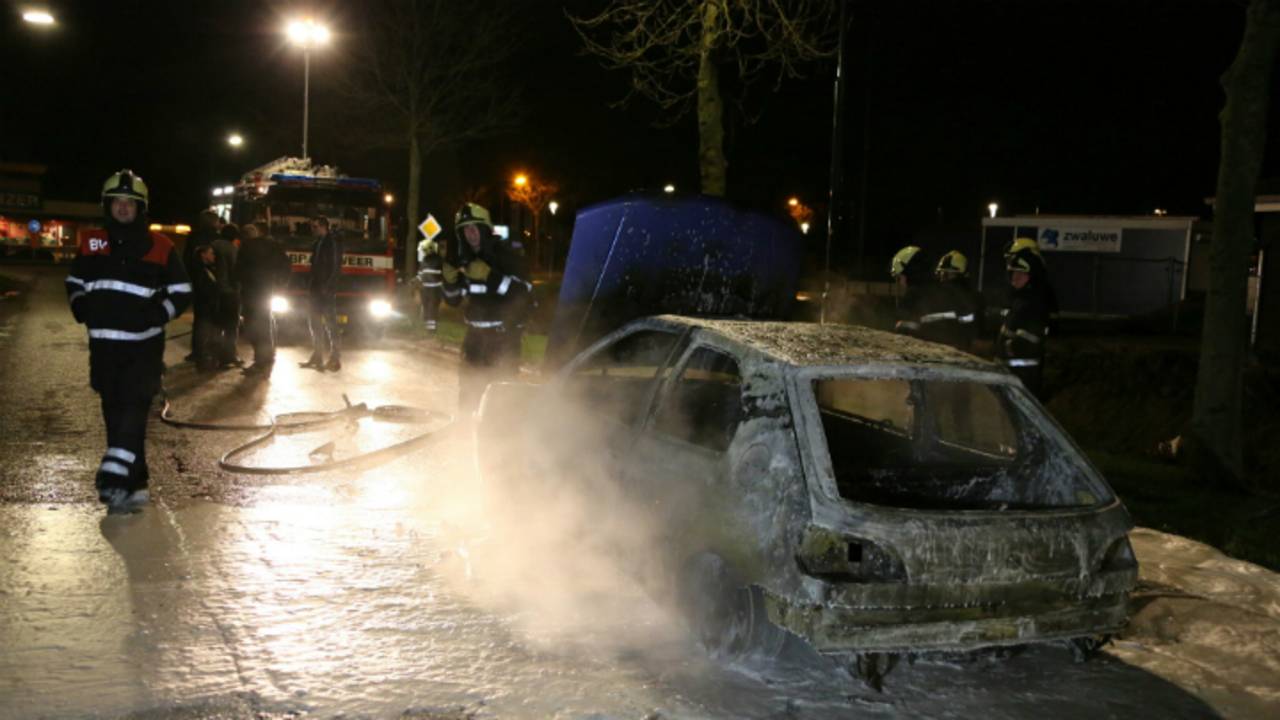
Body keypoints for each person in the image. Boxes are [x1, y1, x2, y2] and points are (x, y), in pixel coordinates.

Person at [65, 170, 191, 512]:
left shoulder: (160, 246)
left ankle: (113, 475)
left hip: (143, 348)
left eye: (130, 203)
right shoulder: (92, 242)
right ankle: (135, 482)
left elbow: (182, 292)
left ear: (141, 208)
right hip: (103, 347)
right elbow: (74, 280)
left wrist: (156, 315)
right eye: (117, 202)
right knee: (113, 411)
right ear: (108, 206)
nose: (123, 208)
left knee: (134, 409)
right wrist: (81, 305)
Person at [441, 202, 533, 414]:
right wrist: (450, 282)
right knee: (467, 400)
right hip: (474, 340)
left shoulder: (507, 255)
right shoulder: (467, 260)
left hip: (503, 340)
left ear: (484, 229)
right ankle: (463, 440)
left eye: (474, 227)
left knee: (500, 406)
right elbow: (454, 300)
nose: (470, 233)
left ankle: (502, 445)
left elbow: (524, 295)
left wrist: (489, 276)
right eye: (465, 229)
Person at [996, 239, 1057, 399]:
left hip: (1023, 378)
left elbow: (1027, 341)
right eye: (1012, 272)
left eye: (1019, 273)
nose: (1013, 278)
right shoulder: (1022, 298)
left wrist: (1006, 348)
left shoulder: (1035, 299)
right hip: (1012, 375)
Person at [235, 222, 293, 375]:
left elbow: (238, 270)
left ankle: (260, 361)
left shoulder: (247, 247)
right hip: (267, 290)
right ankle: (268, 357)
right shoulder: (273, 246)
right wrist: (281, 283)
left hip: (251, 292)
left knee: (254, 327)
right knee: (266, 324)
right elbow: (286, 265)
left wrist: (238, 284)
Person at [300, 215, 343, 372]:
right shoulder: (318, 242)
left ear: (323, 227)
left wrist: (328, 286)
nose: (312, 230)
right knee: (315, 322)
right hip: (316, 288)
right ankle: (317, 355)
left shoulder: (332, 243)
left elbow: (335, 266)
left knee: (331, 323)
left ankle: (335, 358)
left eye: (315, 227)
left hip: (325, 289)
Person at [930, 250, 985, 353]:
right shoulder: (940, 298)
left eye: (947, 275)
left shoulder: (972, 299)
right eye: (942, 274)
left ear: (960, 276)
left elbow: (972, 328)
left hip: (963, 353)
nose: (943, 279)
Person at [184, 209, 220, 362]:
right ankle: (210, 350)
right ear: (213, 222)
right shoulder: (217, 238)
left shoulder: (193, 236)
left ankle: (197, 351)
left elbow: (186, 259)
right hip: (213, 282)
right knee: (212, 317)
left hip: (197, 282)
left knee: (199, 318)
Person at [211, 223, 242, 367]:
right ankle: (229, 356)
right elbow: (236, 272)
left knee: (216, 324)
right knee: (231, 326)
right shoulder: (233, 249)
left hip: (213, 290)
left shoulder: (211, 246)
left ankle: (213, 355)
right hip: (229, 292)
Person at [189, 244, 221, 371]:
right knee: (203, 332)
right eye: (211, 253)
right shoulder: (199, 270)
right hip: (204, 305)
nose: (213, 255)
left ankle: (203, 358)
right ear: (203, 254)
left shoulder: (207, 268)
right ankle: (202, 360)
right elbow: (203, 288)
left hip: (207, 305)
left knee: (204, 331)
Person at [416, 236, 445, 334]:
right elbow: (421, 274)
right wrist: (415, 280)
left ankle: (432, 329)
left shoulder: (438, 259)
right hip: (425, 288)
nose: (423, 251)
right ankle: (428, 328)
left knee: (432, 308)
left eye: (424, 249)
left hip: (435, 289)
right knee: (426, 307)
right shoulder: (425, 259)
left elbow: (442, 274)